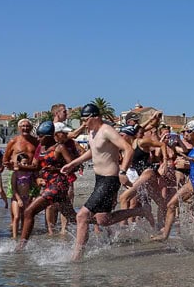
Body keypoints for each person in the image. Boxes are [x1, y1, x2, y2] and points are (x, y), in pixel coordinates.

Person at [62, 103, 146, 260]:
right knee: (103, 220)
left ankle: (76, 257)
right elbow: (92, 151)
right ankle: (141, 211)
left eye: (85, 120)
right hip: (99, 179)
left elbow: (128, 149)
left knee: (82, 216)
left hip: (110, 179)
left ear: (95, 117)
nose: (83, 123)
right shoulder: (92, 132)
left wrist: (122, 171)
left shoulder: (107, 130)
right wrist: (73, 163)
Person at [17, 121, 77, 249]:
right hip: (49, 185)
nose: (38, 139)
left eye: (41, 136)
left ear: (50, 136)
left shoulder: (59, 148)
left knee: (29, 211)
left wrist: (57, 169)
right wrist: (19, 167)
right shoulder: (41, 148)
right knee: (74, 219)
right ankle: (102, 224)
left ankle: (21, 246)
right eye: (38, 136)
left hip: (58, 185)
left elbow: (73, 166)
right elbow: (35, 167)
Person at [152, 120, 194, 242]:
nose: (186, 134)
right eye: (184, 132)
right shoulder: (193, 146)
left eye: (188, 131)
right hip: (192, 181)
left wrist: (189, 159)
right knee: (171, 205)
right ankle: (165, 235)